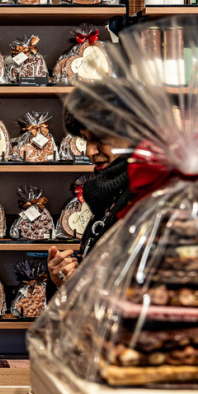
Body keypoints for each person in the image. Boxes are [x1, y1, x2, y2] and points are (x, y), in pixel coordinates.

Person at [47, 85, 136, 289]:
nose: (89, 151)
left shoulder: (144, 195)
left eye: (100, 138)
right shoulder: (108, 193)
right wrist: (63, 280)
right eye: (86, 139)